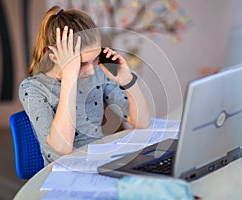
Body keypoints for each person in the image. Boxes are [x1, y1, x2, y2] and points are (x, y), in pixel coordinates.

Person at [19, 6, 150, 165]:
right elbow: (62, 147)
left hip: (98, 162)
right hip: (62, 172)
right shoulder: (33, 88)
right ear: (54, 57)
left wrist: (127, 80)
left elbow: (142, 122)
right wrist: (70, 77)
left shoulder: (98, 73)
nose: (91, 71)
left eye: (95, 59)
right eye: (81, 64)